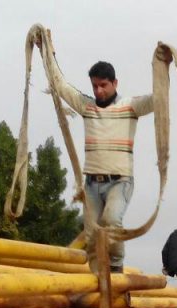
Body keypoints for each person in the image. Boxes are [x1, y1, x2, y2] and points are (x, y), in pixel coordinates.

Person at [47, 59, 153, 272]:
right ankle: (97, 280)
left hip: (119, 181)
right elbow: (61, 86)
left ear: (115, 83)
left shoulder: (130, 106)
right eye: (95, 86)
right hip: (92, 183)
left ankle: (115, 269)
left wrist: (163, 67)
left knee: (112, 220)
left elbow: (158, 99)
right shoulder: (87, 106)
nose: (99, 90)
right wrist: (47, 51)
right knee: (92, 236)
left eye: (103, 85)